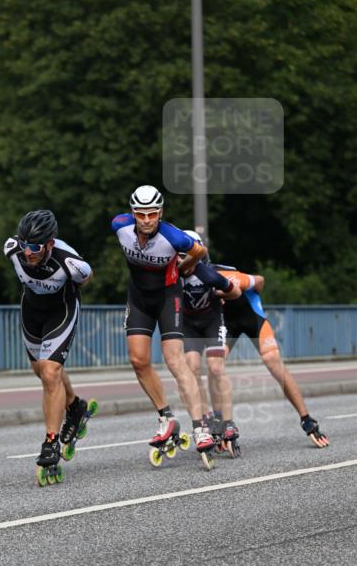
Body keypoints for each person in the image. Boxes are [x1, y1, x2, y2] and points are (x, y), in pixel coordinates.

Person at [111, 185, 215, 459]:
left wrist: (181, 268)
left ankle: (200, 428)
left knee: (174, 361)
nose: (146, 220)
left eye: (152, 214)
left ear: (161, 212)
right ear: (133, 213)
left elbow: (200, 252)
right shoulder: (120, 226)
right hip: (139, 298)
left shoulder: (174, 237)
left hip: (169, 298)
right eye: (141, 214)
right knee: (138, 360)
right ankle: (166, 418)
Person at [3, 209, 95, 482]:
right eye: (24, 244)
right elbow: (20, 252)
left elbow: (85, 281)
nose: (27, 252)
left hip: (62, 309)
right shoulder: (12, 249)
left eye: (34, 247)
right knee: (40, 370)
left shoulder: (72, 263)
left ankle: (51, 441)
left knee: (50, 371)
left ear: (50, 245)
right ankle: (76, 407)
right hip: (32, 310)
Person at [214, 266, 330, 447]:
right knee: (215, 366)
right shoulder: (186, 282)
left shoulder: (225, 275)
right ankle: (221, 424)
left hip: (251, 317)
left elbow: (259, 280)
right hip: (227, 323)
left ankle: (307, 419)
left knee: (273, 362)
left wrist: (254, 295)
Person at [179, 229, 242, 452]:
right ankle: (205, 417)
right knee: (193, 368)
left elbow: (236, 293)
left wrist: (220, 295)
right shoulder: (174, 275)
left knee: (215, 368)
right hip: (189, 326)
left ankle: (227, 421)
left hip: (212, 322)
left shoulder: (210, 274)